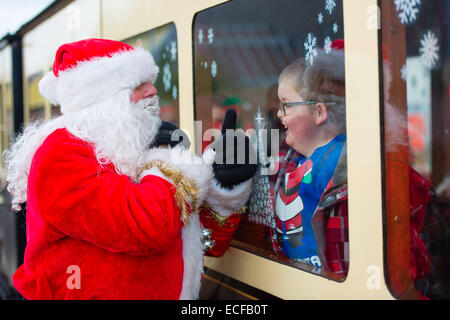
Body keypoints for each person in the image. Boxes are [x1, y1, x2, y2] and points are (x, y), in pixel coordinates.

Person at [3, 38, 256, 299]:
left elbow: (202, 242)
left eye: (150, 82)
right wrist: (169, 163)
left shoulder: (129, 146)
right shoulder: (60, 155)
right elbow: (147, 227)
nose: (152, 92)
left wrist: (224, 185)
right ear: (100, 99)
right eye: (137, 85)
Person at [271, 39, 348, 274]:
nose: (278, 114)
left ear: (318, 112)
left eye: (287, 106)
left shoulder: (334, 161)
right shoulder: (299, 159)